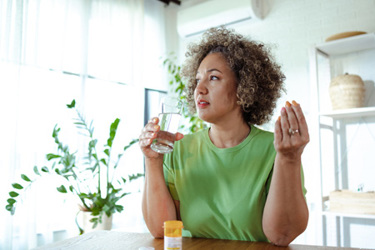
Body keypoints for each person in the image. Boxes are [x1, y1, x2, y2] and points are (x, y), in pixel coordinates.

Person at [139, 26, 309, 246]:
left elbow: (281, 235)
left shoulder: (276, 150)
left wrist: (289, 159)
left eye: (214, 78)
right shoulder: (178, 148)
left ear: (244, 88)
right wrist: (152, 161)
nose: (199, 88)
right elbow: (161, 230)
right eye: (198, 79)